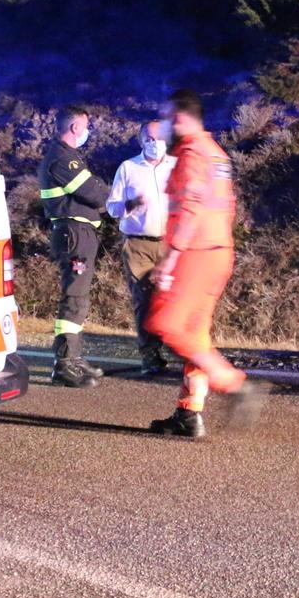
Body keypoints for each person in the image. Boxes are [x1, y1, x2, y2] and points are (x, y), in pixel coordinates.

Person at [144, 89, 261, 438]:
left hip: (196, 252)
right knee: (195, 333)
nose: (162, 126)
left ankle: (234, 383)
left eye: (166, 118)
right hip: (217, 249)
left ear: (179, 119)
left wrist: (172, 257)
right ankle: (189, 413)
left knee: (166, 323)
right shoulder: (216, 153)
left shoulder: (193, 153)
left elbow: (192, 206)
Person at [37, 105, 111, 388]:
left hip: (78, 233)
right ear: (75, 127)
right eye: (86, 126)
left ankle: (73, 358)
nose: (87, 132)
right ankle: (65, 363)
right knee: (74, 296)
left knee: (78, 297)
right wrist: (110, 197)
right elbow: (92, 192)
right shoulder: (62, 159)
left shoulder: (65, 157)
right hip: (74, 232)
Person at [106, 118, 175, 376]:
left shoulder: (176, 166)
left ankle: (178, 346)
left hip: (170, 245)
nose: (154, 143)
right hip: (138, 245)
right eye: (149, 138)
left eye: (158, 138)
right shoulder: (128, 168)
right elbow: (112, 207)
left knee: (172, 299)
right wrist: (130, 204)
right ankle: (150, 355)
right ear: (141, 140)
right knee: (144, 300)